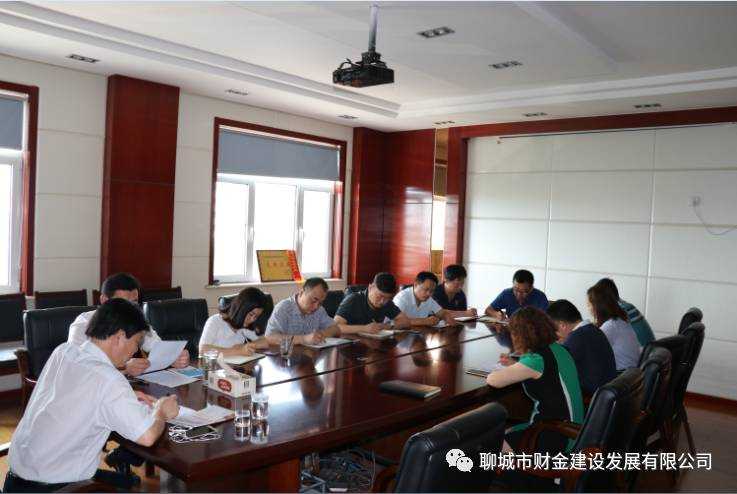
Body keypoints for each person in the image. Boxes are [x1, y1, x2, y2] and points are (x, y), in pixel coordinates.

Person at [5, 299, 179, 492]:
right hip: (56, 488)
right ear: (120, 337)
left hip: (15, 481)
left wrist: (127, 394)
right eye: (137, 342)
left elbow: (77, 391)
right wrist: (161, 412)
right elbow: (147, 436)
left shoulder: (64, 351)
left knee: (125, 483)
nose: (136, 350)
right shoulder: (109, 379)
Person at [486, 307, 584, 454]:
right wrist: (516, 364)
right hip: (574, 429)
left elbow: (494, 380)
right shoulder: (559, 349)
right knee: (506, 432)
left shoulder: (536, 359)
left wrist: (504, 369)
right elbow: (544, 371)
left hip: (556, 436)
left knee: (490, 440)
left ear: (520, 335)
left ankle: (511, 468)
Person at [67, 272, 188, 376]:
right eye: (122, 303)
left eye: (134, 303)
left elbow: (157, 346)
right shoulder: (83, 324)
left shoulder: (136, 319)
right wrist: (124, 368)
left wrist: (174, 357)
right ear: (104, 300)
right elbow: (77, 368)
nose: (129, 309)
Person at [546, 299, 617, 396]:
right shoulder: (594, 330)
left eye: (554, 331)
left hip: (590, 397)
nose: (555, 336)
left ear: (562, 325)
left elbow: (553, 368)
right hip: (604, 393)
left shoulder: (577, 337)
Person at [265, 277, 342, 345]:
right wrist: (304, 339)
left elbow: (336, 329)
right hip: (287, 355)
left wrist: (321, 335)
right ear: (302, 293)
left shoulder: (319, 310)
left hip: (310, 354)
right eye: (313, 300)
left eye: (320, 303)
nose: (316, 306)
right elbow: (270, 337)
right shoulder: (284, 308)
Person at [199, 287, 270, 357]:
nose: (252, 320)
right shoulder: (215, 321)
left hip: (236, 364)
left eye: (256, 316)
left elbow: (266, 341)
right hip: (215, 364)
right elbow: (203, 349)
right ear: (241, 308)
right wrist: (238, 351)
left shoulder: (245, 326)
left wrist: (249, 346)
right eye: (251, 314)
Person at [587, 284, 641, 371]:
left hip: (621, 375)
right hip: (630, 374)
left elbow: (589, 350)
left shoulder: (610, 326)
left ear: (597, 307)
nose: (588, 308)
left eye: (589, 305)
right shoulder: (619, 321)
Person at [334, 272, 410, 333]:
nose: (382, 301)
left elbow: (405, 321)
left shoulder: (386, 303)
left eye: (387, 298)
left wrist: (385, 326)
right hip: (350, 343)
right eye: (379, 296)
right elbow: (335, 327)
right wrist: (364, 328)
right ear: (371, 287)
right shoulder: (353, 300)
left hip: (372, 342)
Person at [595, 278, 655, 347]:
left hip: (643, 351)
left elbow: (602, 337)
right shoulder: (627, 306)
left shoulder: (617, 309)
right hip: (651, 349)